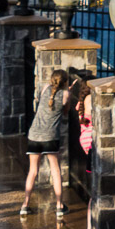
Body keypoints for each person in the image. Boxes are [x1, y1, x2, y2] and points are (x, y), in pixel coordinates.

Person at [21, 69, 70, 218]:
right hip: (50, 136)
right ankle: (59, 206)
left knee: (33, 171)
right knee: (55, 170)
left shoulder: (45, 89)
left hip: (34, 134)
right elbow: (66, 112)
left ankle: (25, 205)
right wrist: (69, 92)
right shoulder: (66, 94)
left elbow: (42, 103)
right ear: (65, 82)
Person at [71, 78, 95, 229]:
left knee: (94, 195)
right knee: (97, 195)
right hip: (92, 143)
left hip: (85, 140)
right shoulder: (91, 100)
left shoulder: (81, 101)